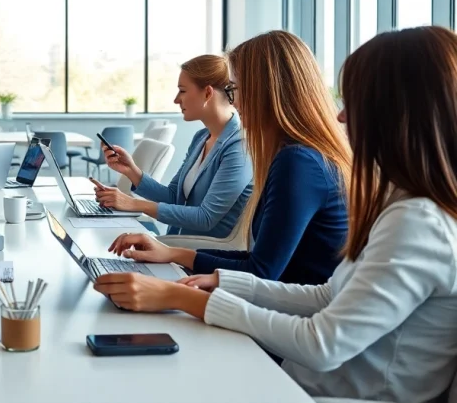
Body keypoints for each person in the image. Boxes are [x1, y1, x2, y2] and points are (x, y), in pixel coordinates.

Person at [93, 26, 457, 403]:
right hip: (302, 380)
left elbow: (322, 343)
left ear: (397, 114)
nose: (343, 117)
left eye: (356, 102)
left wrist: (186, 298)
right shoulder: (404, 205)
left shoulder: (419, 223)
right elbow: (327, 294)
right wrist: (214, 282)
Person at [99, 31, 350, 285]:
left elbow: (262, 271)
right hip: (279, 300)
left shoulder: (298, 162)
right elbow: (259, 262)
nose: (235, 102)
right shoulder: (293, 156)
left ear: (265, 90)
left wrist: (177, 285)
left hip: (290, 311)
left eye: (234, 89)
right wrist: (172, 254)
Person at [92, 54, 253, 237]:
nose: (176, 100)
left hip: (205, 252)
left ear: (207, 93)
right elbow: (173, 196)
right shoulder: (201, 138)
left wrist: (132, 203)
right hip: (179, 242)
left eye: (182, 91)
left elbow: (206, 218)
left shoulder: (239, 147)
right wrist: (132, 171)